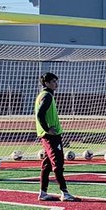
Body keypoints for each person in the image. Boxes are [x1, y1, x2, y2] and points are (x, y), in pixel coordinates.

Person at [36, 72, 78, 202]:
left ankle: (43, 192)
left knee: (47, 164)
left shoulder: (45, 95)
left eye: (56, 81)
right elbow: (40, 114)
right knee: (58, 163)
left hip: (49, 136)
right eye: (53, 81)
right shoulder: (47, 96)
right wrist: (47, 128)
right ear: (46, 83)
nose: (56, 83)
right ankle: (64, 193)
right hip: (51, 137)